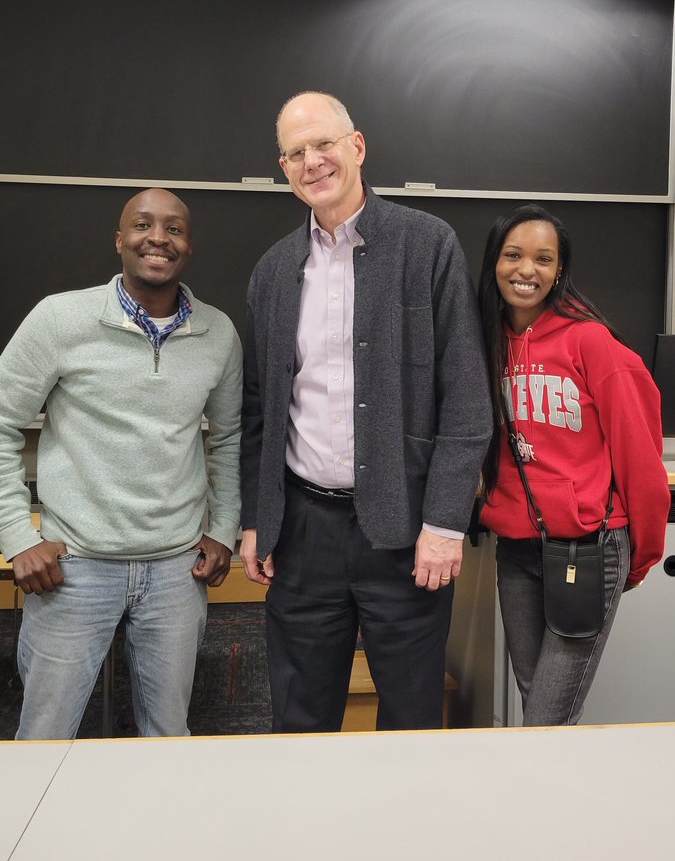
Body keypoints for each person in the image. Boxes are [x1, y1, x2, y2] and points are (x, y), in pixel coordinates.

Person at [240, 91, 491, 732]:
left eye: (323, 144)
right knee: (299, 720)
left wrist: (444, 522)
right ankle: (309, 831)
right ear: (283, 167)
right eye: (295, 153)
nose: (311, 161)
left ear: (357, 146)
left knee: (410, 720)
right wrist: (256, 517)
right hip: (301, 534)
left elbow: (464, 401)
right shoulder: (272, 272)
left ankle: (400, 832)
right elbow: (260, 412)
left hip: (405, 533)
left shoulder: (426, 245)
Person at [0, 187, 242, 739]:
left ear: (189, 244)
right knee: (44, 738)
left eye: (174, 228)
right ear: (119, 239)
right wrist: (16, 535)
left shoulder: (218, 334)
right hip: (73, 567)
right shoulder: (61, 319)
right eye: (142, 225)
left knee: (167, 738)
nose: (158, 237)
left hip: (178, 572)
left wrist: (223, 529)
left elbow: (228, 440)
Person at [477, 202, 670, 726]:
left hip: (587, 549)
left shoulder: (590, 342)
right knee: (533, 697)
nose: (527, 270)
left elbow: (641, 459)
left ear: (559, 270)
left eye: (543, 259)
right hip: (516, 550)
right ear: (494, 261)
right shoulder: (487, 341)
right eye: (514, 255)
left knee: (547, 717)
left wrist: (640, 554)